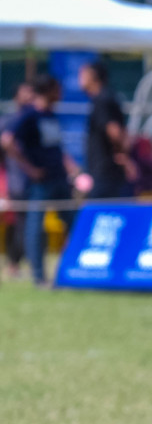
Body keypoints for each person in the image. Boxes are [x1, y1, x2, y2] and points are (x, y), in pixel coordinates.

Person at [1, 75, 78, 286]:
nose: (61, 94)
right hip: (40, 183)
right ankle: (39, 276)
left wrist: (72, 168)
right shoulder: (29, 115)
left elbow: (56, 148)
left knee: (75, 223)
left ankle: (78, 269)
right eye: (57, 89)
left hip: (60, 179)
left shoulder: (51, 115)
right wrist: (29, 168)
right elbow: (7, 141)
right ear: (49, 90)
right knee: (35, 228)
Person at [79, 61, 134, 199]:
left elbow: (114, 131)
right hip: (107, 171)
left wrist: (123, 154)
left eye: (83, 74)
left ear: (93, 76)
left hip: (106, 170)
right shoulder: (107, 97)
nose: (80, 78)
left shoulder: (102, 99)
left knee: (102, 211)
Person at [3, 81, 36, 278]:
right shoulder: (9, 122)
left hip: (34, 182)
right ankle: (13, 265)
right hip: (15, 181)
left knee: (28, 225)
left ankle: (24, 264)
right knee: (17, 224)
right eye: (26, 93)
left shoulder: (34, 119)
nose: (30, 96)